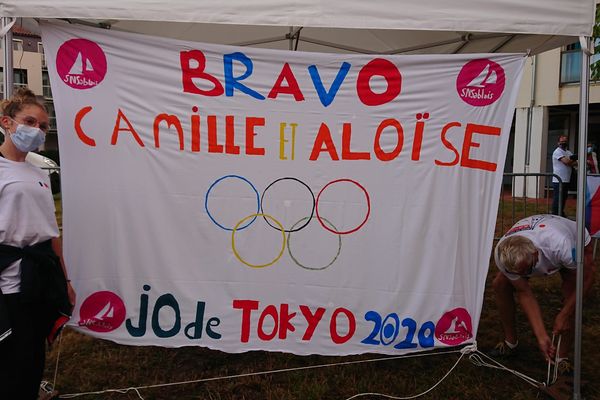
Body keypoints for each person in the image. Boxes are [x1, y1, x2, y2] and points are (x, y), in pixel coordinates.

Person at [0, 88, 76, 399]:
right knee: (10, 361)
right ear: (7, 122)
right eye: (30, 121)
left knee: (32, 358)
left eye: (43, 126)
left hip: (39, 279)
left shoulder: (39, 172)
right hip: (8, 282)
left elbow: (50, 232)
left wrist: (65, 278)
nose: (37, 130)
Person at [491, 214, 596, 370]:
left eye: (527, 270)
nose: (523, 276)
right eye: (517, 273)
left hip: (573, 236)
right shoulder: (501, 255)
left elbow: (588, 277)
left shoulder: (562, 246)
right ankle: (510, 343)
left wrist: (564, 314)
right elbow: (524, 291)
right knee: (500, 285)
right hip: (542, 234)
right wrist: (541, 336)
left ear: (535, 254)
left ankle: (561, 359)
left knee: (571, 296)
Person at [551, 136, 577, 217]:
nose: (563, 143)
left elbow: (575, 163)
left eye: (565, 141)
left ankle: (560, 213)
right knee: (558, 198)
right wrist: (571, 160)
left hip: (566, 179)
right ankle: (555, 214)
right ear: (558, 143)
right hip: (558, 180)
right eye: (561, 141)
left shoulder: (568, 152)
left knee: (563, 198)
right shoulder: (557, 152)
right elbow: (566, 162)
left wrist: (571, 160)